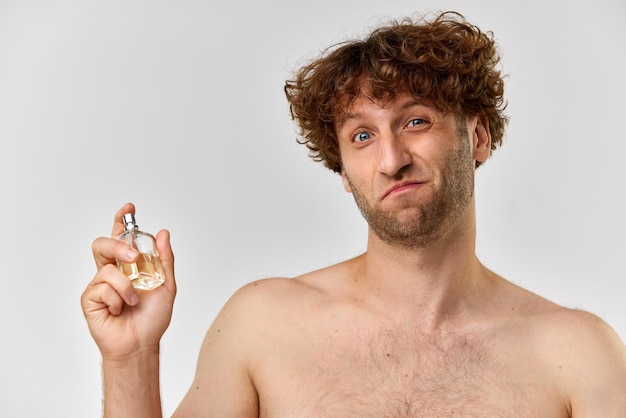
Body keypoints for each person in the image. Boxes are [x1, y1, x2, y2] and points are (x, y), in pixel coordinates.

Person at [81, 11, 626, 417]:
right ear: (342, 171)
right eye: (362, 136)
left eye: (415, 121)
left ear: (477, 136)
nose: (392, 160)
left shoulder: (578, 355)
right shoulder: (264, 325)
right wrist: (131, 358)